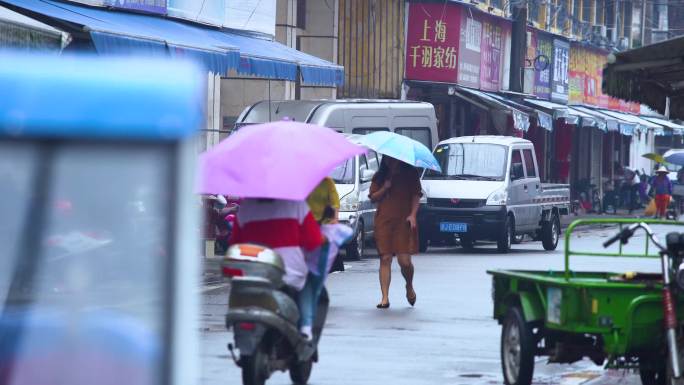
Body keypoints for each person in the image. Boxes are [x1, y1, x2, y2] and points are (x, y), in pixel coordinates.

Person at [229, 198, 324, 339]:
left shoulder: (245, 209)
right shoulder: (297, 205)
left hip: (253, 276)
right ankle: (306, 328)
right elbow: (313, 241)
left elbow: (235, 244)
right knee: (307, 280)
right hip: (290, 275)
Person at [369, 156, 422, 309]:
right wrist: (385, 187)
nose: (391, 162)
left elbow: (416, 195)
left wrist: (412, 215)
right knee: (385, 258)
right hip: (384, 221)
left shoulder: (410, 173)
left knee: (404, 261)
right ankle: (384, 298)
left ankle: (409, 285)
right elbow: (373, 197)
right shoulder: (380, 176)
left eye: (394, 159)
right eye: (388, 159)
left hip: (403, 221)